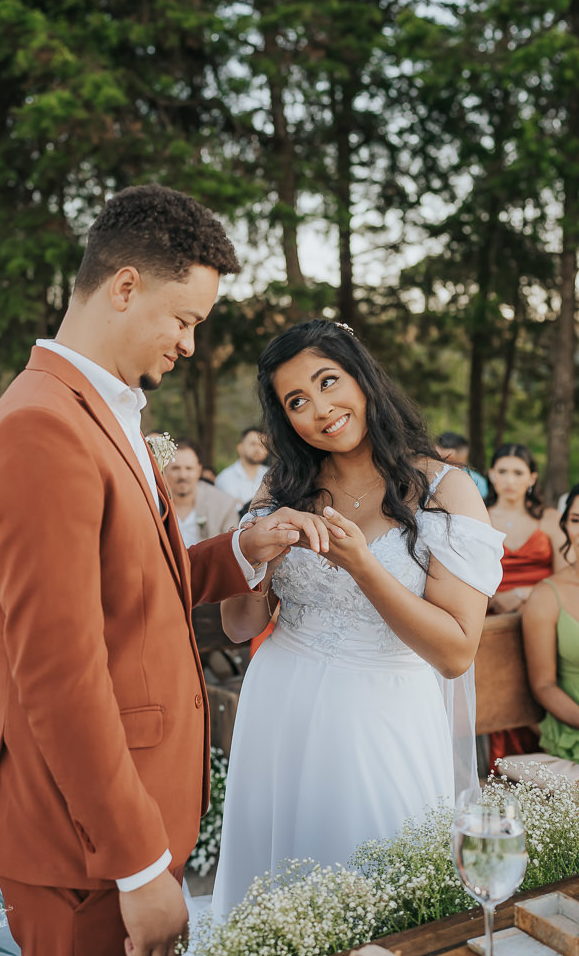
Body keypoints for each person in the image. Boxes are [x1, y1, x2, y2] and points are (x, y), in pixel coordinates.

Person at [0, 183, 334, 956]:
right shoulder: (41, 427)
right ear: (125, 287)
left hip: (118, 823)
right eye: (185, 319)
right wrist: (136, 864)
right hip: (84, 846)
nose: (190, 344)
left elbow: (129, 584)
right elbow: (59, 674)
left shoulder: (105, 408)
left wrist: (240, 550)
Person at [211, 319, 505, 917]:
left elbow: (455, 652)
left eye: (328, 382)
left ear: (363, 378)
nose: (320, 409)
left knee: (374, 892)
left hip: (382, 713)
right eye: (297, 401)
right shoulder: (284, 482)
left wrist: (364, 566)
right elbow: (240, 626)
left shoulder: (446, 490)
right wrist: (254, 552)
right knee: (272, 890)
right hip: (278, 703)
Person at [485, 442, 566, 768]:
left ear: (531, 477)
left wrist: (520, 595)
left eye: (518, 472)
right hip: (490, 625)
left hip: (543, 618)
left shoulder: (550, 519)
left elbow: (566, 577)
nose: (509, 480)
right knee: (496, 694)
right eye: (502, 471)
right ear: (491, 474)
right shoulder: (477, 515)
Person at [521, 485, 579, 773]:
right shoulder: (546, 597)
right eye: (577, 520)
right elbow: (543, 685)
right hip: (573, 731)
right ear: (566, 526)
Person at [164, 440, 239, 546]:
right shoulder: (155, 503)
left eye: (189, 468)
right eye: (176, 468)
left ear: (199, 470)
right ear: (165, 470)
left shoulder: (224, 504)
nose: (183, 475)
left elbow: (232, 548)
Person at [214, 427, 268, 510]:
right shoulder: (225, 478)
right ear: (240, 447)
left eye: (262, 445)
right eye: (253, 444)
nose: (258, 449)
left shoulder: (272, 476)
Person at [435, 431, 488, 499]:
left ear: (464, 457)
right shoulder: (425, 478)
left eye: (451, 461)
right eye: (439, 459)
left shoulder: (478, 482)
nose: (445, 466)